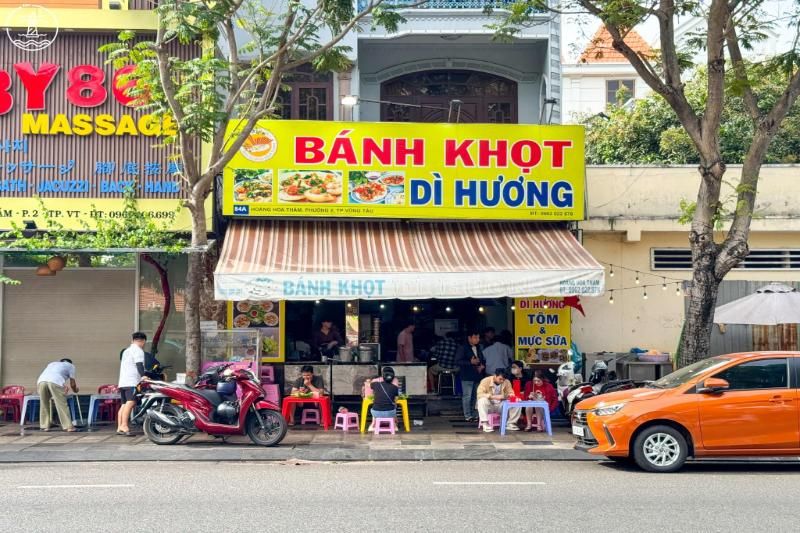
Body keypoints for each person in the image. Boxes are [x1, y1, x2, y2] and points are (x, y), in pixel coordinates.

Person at [36, 358, 79, 432]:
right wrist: (76, 390)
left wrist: (62, 386)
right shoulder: (71, 366)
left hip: (41, 381)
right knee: (61, 404)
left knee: (44, 403)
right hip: (55, 381)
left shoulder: (52, 364)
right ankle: (68, 426)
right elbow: (72, 384)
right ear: (70, 363)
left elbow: (51, 376)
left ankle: (45, 426)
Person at [117, 332, 147, 436]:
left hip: (123, 382)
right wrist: (143, 376)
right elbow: (139, 365)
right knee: (131, 402)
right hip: (132, 381)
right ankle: (124, 425)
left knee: (124, 404)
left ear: (132, 340)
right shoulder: (138, 350)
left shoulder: (126, 351)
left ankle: (119, 427)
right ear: (143, 341)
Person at [456, 330, 485, 422]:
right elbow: (458, 361)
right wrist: (470, 362)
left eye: (478, 337)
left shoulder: (479, 347)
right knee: (467, 396)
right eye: (475, 337)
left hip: (477, 375)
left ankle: (475, 414)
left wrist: (482, 365)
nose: (477, 339)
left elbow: (482, 359)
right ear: (469, 338)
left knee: (476, 396)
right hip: (467, 375)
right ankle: (468, 415)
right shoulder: (463, 348)